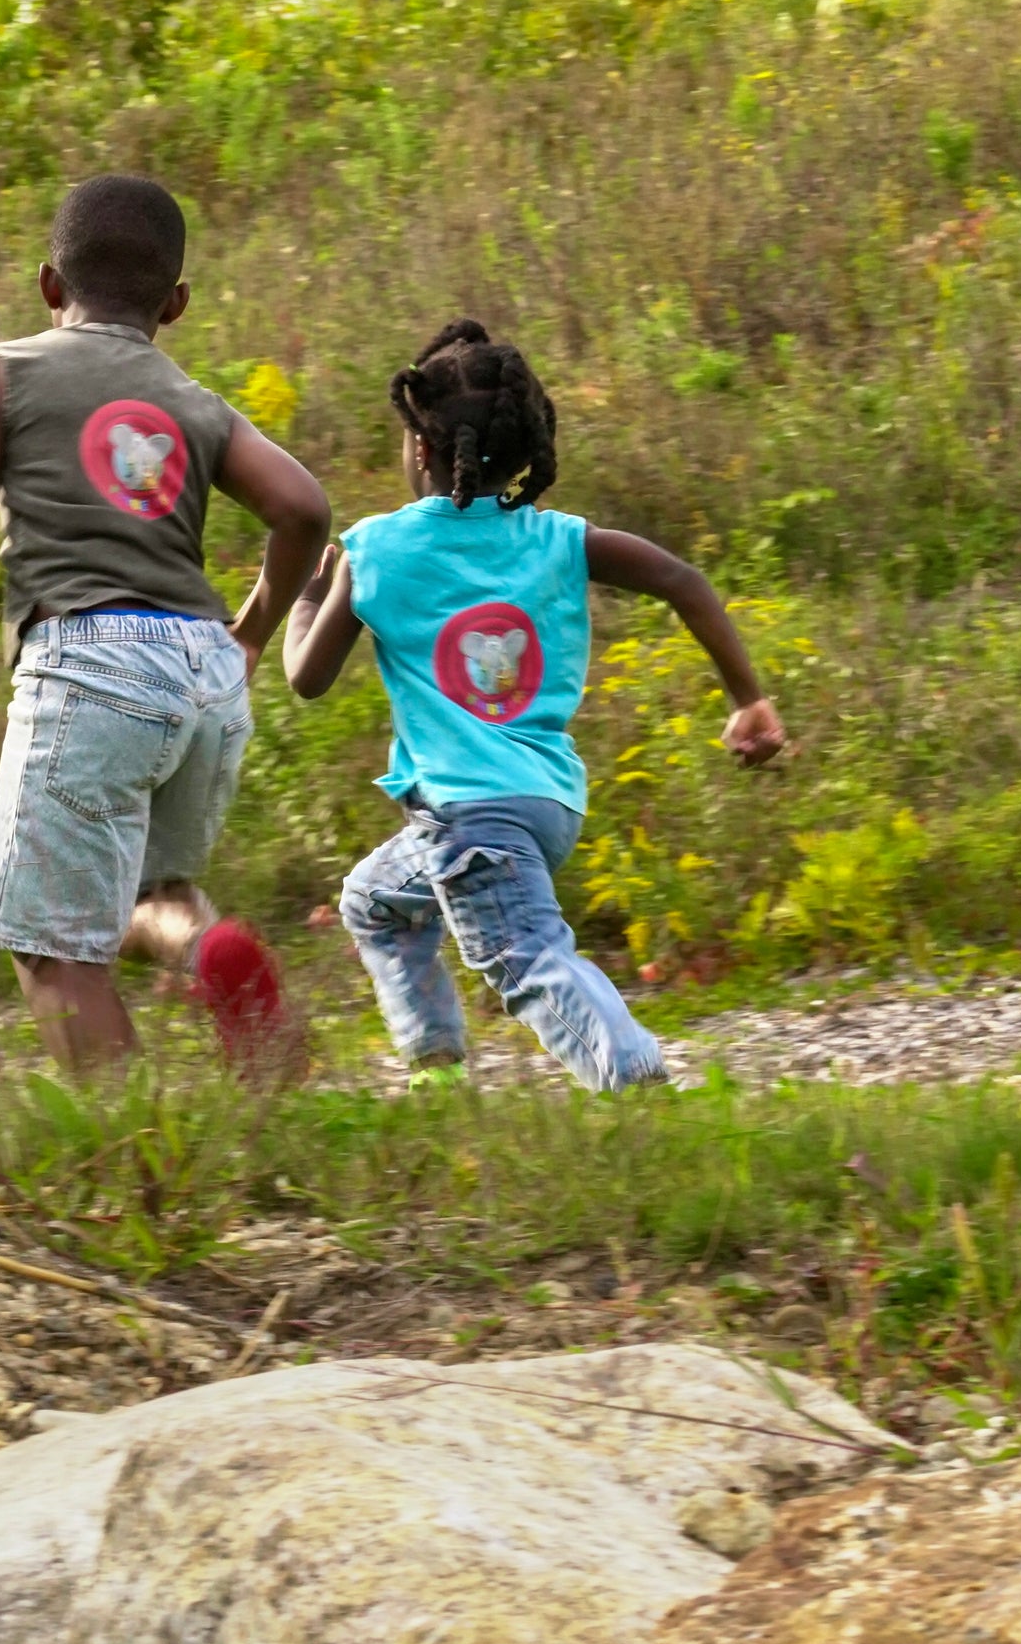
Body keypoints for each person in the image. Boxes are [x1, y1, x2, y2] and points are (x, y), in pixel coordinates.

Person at [283, 316, 785, 1089]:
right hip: (547, 805)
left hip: (467, 815)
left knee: (526, 959)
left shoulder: (375, 550)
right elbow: (684, 580)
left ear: (420, 447)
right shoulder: (560, 539)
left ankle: (632, 1074)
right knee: (377, 902)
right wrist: (749, 698)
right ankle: (436, 1067)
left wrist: (308, 593)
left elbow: (306, 678)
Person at [0, 174, 329, 1074]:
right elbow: (302, 509)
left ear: (49, 285)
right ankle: (209, 950)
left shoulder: (0, 371)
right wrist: (248, 633)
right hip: (204, 673)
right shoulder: (196, 400)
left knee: (54, 953)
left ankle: (136, 1158)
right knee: (148, 892)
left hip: (89, 662)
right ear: (176, 303)